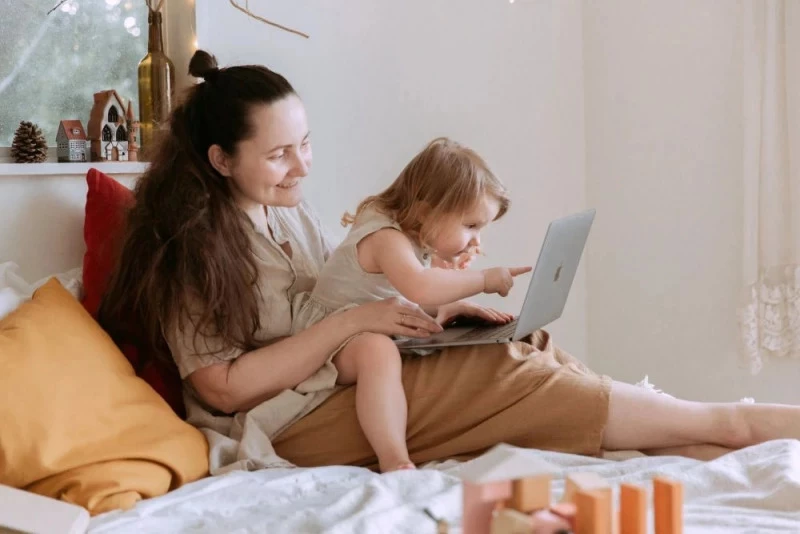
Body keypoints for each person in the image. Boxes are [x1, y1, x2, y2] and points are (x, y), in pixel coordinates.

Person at [100, 49, 800, 476]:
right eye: (279, 154)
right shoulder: (190, 249)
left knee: (520, 345)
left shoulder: (289, 211)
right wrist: (359, 326)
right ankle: (726, 423)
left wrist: (429, 310)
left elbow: (337, 304)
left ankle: (690, 433)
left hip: (347, 376)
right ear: (221, 160)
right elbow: (222, 389)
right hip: (287, 422)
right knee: (505, 372)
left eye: (305, 143)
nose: (301, 165)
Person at [289, 136, 530, 472]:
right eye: (471, 226)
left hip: (366, 322)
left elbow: (413, 289)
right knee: (378, 352)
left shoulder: (411, 230)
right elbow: (419, 286)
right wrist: (485, 279)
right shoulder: (385, 236)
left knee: (428, 334)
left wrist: (454, 298)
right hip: (325, 339)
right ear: (427, 211)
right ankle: (394, 458)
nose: (477, 239)